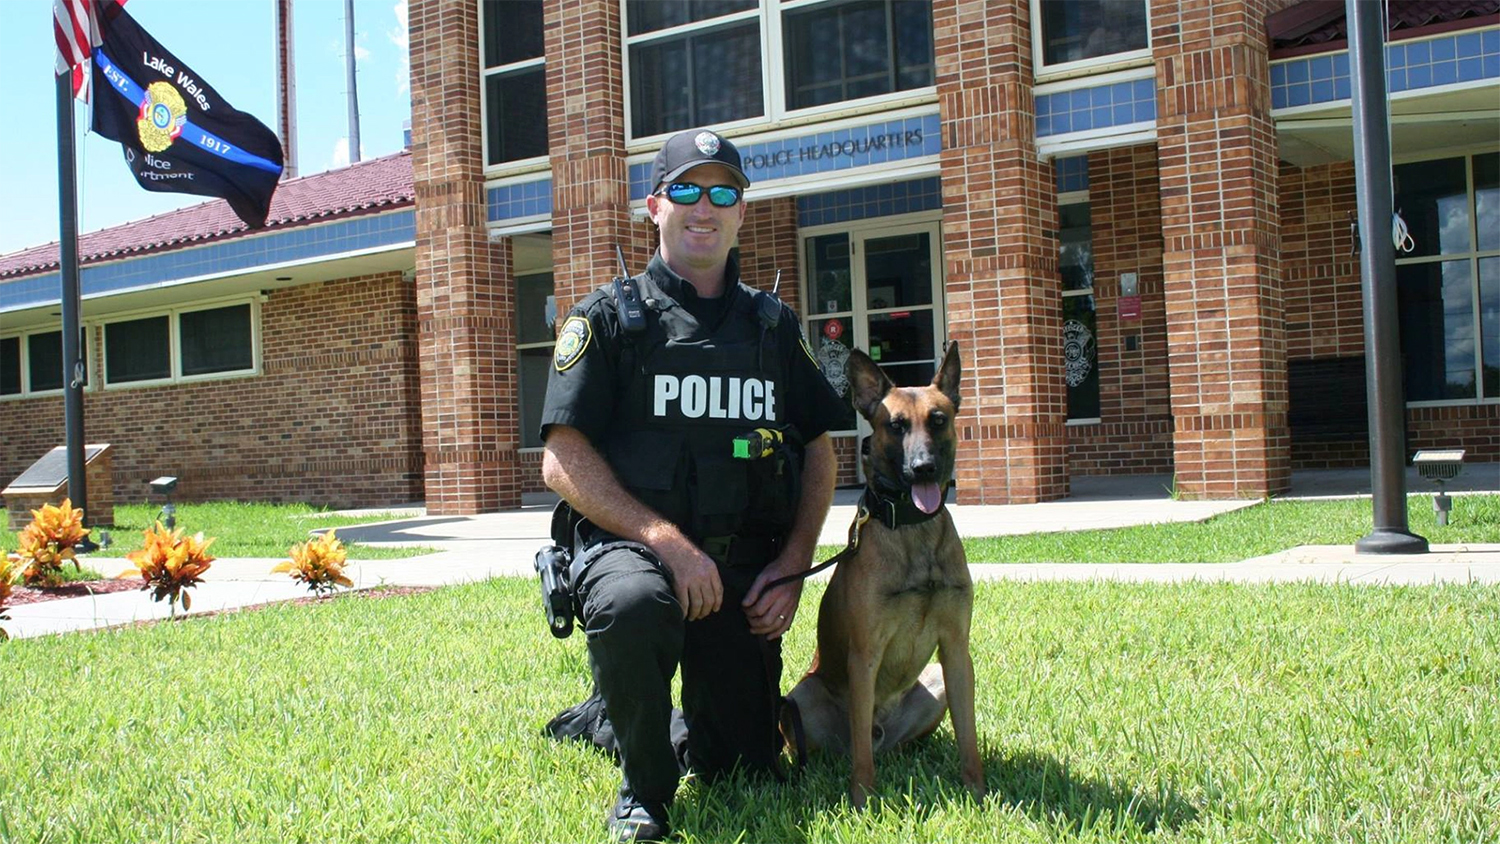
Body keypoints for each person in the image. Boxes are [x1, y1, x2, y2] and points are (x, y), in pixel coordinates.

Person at [539, 127, 846, 842]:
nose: (704, 207)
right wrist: (667, 544)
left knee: (739, 765)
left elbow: (820, 451)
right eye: (685, 189)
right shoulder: (607, 320)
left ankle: (617, 715)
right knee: (631, 603)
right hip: (635, 554)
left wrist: (793, 563)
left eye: (723, 193)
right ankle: (644, 793)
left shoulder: (773, 328)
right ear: (655, 206)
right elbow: (561, 458)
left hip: (739, 568)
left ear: (742, 212)